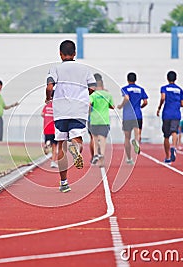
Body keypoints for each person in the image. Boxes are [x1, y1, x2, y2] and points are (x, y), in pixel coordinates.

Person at [45, 40, 96, 193]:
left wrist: (49, 97)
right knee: (77, 138)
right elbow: (92, 87)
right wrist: (83, 96)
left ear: (60, 54)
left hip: (61, 110)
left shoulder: (54, 69)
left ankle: (64, 183)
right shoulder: (85, 69)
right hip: (78, 109)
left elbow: (49, 86)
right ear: (75, 54)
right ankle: (76, 150)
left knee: (60, 145)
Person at [117, 72, 148, 165]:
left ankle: (129, 158)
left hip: (127, 116)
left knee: (127, 138)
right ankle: (136, 141)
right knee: (137, 132)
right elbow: (145, 101)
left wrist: (121, 106)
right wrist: (140, 107)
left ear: (127, 80)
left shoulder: (125, 89)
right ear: (135, 79)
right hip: (137, 114)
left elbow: (126, 98)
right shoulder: (140, 89)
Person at [156, 71, 183, 164]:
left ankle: (167, 157)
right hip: (176, 114)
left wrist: (159, 107)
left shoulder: (164, 88)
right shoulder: (180, 90)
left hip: (167, 114)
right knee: (174, 132)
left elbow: (163, 98)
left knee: (166, 136)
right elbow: (182, 103)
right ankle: (174, 147)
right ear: (175, 78)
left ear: (167, 78)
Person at [89, 73, 115, 167]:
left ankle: (95, 154)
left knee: (95, 139)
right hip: (104, 119)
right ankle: (102, 158)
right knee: (103, 139)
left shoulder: (93, 95)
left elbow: (89, 104)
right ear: (102, 84)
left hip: (94, 119)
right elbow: (112, 106)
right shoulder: (107, 94)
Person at [41, 100, 58, 168]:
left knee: (48, 139)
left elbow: (42, 114)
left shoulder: (46, 106)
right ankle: (53, 162)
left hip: (46, 128)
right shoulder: (57, 106)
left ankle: (47, 143)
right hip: (54, 129)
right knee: (54, 146)